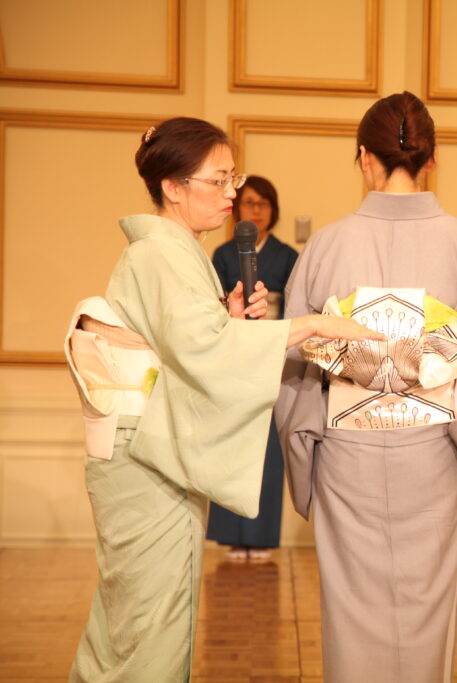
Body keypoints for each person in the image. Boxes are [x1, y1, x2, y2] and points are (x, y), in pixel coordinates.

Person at [64, 117, 380, 681]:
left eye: (234, 178)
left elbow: (194, 344)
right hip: (145, 456)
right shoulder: (159, 255)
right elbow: (204, 350)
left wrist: (228, 321)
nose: (233, 193)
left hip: (148, 449)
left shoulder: (173, 252)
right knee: (149, 626)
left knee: (132, 621)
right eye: (219, 180)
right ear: (173, 187)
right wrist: (310, 325)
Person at [275, 91, 457, 682]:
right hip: (433, 450)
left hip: (347, 452)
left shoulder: (326, 244)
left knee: (350, 606)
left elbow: (296, 365)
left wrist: (303, 452)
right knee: (428, 606)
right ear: (431, 158)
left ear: (364, 157)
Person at [207, 176, 299, 560]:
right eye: (249, 203)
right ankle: (230, 533)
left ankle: (260, 536)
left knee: (269, 448)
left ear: (273, 210)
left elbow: (294, 308)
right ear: (237, 209)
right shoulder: (223, 254)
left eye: (263, 204)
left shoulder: (288, 256)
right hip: (233, 352)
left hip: (272, 353)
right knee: (232, 442)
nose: (256, 211)